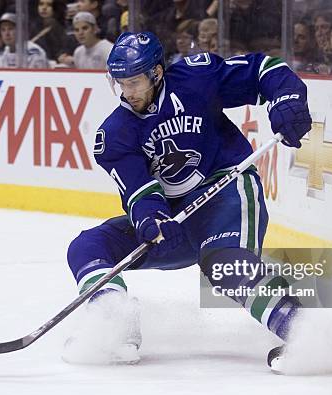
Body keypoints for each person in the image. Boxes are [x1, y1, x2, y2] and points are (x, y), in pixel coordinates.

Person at [62, 32, 314, 372]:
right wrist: (153, 221)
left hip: (227, 191)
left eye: (134, 81)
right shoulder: (115, 134)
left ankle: (304, 332)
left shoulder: (197, 78)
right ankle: (116, 321)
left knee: (224, 265)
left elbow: (262, 69)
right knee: (88, 246)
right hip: (174, 220)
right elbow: (138, 191)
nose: (127, 92)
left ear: (156, 73)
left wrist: (286, 98)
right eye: (120, 83)